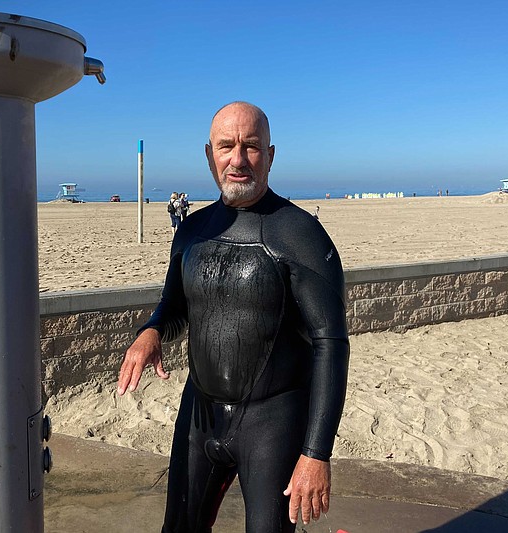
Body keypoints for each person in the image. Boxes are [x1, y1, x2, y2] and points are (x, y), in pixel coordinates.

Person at [118, 101, 349, 532]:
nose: (238, 160)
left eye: (252, 147)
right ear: (210, 155)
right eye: (226, 146)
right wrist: (150, 331)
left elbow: (331, 343)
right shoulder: (191, 230)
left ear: (271, 155)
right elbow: (174, 306)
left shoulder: (300, 234)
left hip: (273, 422)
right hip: (199, 413)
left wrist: (316, 454)